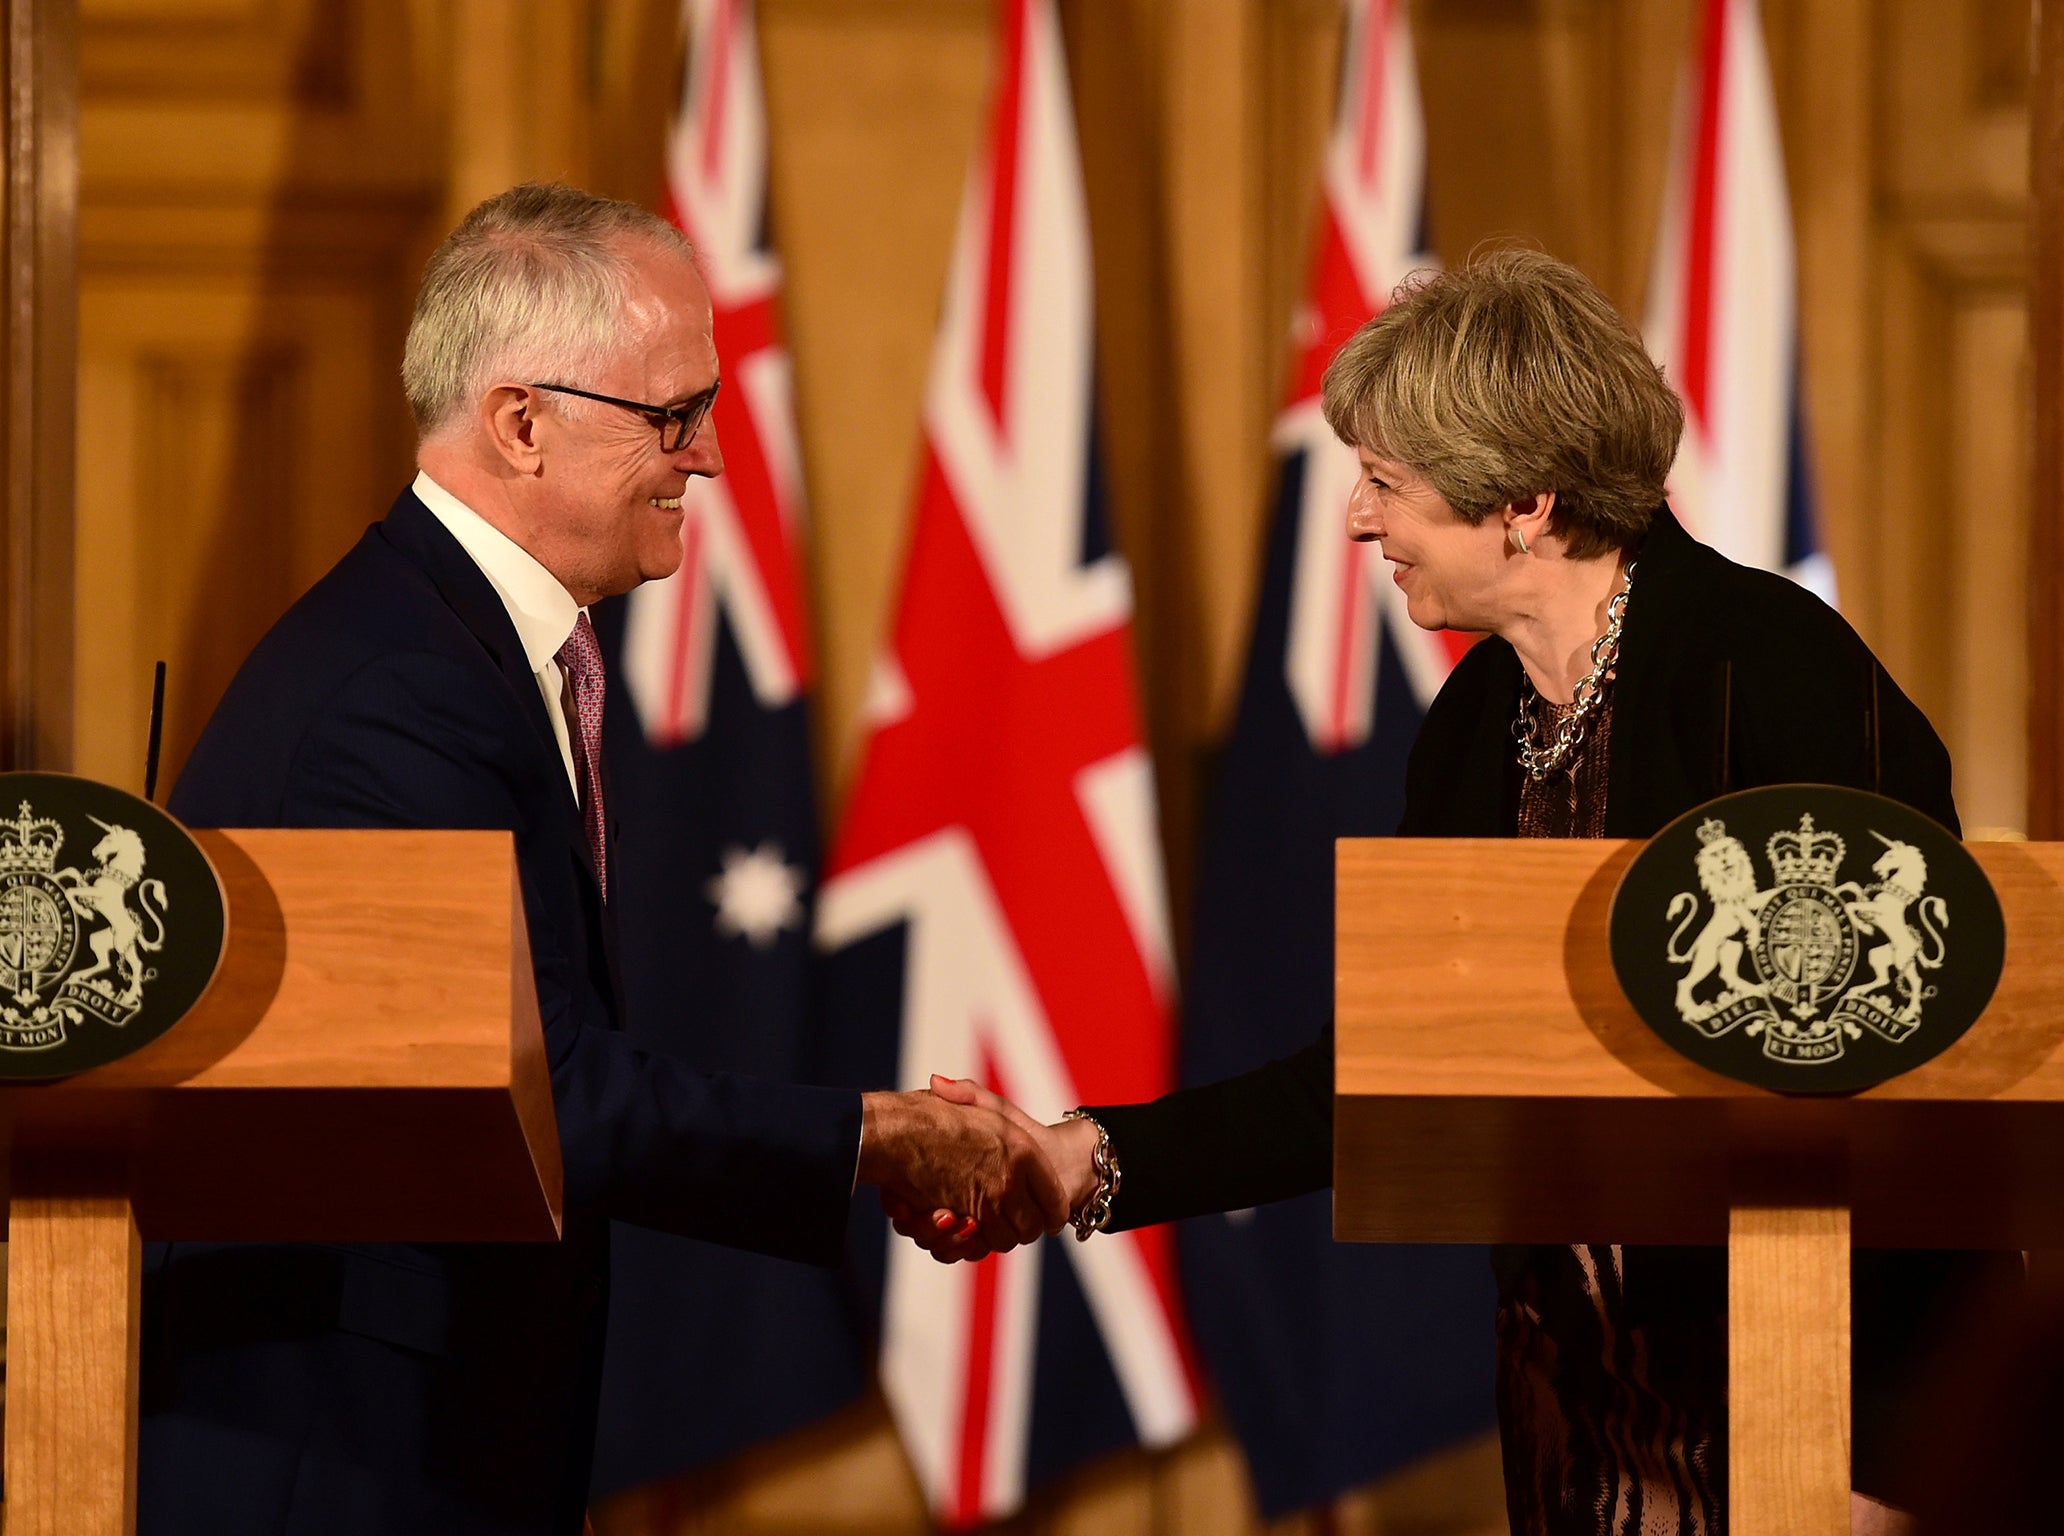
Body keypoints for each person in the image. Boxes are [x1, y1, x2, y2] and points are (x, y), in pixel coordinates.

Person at [902, 249, 2016, 1535]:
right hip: (1583, 1413)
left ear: (1527, 504)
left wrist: (1886, 1474)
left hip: (1816, 1417)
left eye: (1386, 485)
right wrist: (1082, 1158)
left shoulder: (1772, 673)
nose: (1360, 522)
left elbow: (1921, 1071)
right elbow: (1384, 1065)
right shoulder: (1475, 719)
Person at [141, 183, 1069, 1536]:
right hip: (333, 1459)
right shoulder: (399, 695)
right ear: (519, 421)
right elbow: (540, 1088)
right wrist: (873, 1139)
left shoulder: (462, 648)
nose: (706, 457)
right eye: (671, 417)